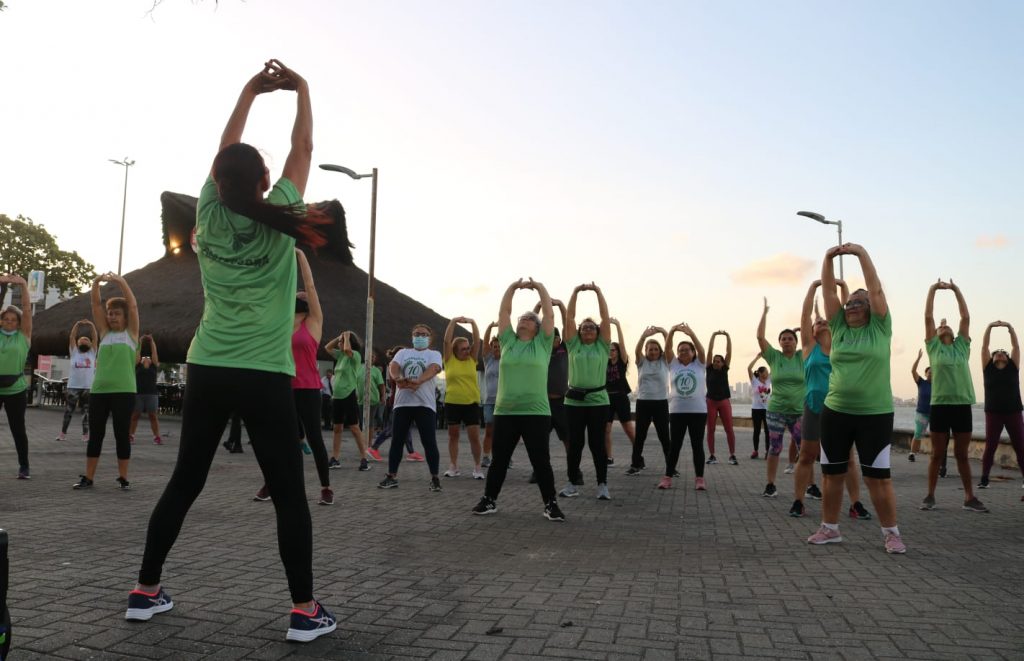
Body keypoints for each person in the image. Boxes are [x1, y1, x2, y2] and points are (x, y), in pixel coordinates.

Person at [127, 61, 336, 642]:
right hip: (264, 372)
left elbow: (226, 147)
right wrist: (303, 89)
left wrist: (250, 90)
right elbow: (304, 145)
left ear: (217, 182)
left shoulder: (209, 213)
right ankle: (304, 611)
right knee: (288, 495)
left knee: (185, 480)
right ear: (265, 183)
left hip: (208, 364)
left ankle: (145, 591)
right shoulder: (284, 215)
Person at [807, 243, 904, 553]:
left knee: (878, 478)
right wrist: (827, 258)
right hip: (836, 412)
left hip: (874, 415)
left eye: (859, 302)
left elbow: (875, 290)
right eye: (849, 302)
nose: (852, 305)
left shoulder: (880, 328)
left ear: (870, 307)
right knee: (832, 474)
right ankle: (830, 528)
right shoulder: (838, 327)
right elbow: (828, 293)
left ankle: (891, 533)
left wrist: (861, 254)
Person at [471, 278, 564, 521]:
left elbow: (550, 316)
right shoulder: (508, 341)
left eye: (530, 319)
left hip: (536, 412)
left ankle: (551, 504)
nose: (524, 319)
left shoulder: (543, 344)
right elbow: (504, 312)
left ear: (537, 327)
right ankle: (489, 500)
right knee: (499, 460)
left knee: (540, 461)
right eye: (522, 318)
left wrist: (541, 288)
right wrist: (512, 288)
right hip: (506, 412)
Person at [254, 254, 333, 505]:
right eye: (296, 296)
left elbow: (310, 286)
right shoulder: (282, 323)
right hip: (283, 387)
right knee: (279, 440)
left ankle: (326, 488)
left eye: (303, 297)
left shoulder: (314, 323)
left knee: (315, 439)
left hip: (308, 389)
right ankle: (272, 483)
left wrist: (299, 258)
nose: (300, 296)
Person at [789, 280, 872, 520]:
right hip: (814, 407)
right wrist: (813, 286)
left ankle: (856, 504)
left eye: (825, 321)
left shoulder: (840, 344)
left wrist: (842, 287)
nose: (822, 322)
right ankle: (798, 501)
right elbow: (806, 315)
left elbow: (844, 310)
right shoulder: (808, 348)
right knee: (806, 455)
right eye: (818, 322)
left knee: (848, 459)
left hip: (839, 407)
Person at [921, 279, 987, 512]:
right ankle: (929, 495)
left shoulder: (962, 347)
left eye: (947, 327)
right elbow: (928, 317)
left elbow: (965, 318)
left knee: (961, 455)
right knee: (937, 454)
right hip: (940, 405)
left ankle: (969, 497)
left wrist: (956, 290)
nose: (945, 327)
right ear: (936, 333)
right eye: (941, 327)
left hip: (961, 406)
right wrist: (932, 291)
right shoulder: (934, 348)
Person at [74, 272, 140, 491]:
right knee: (96, 435)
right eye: (110, 314)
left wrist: (121, 282)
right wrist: (95, 284)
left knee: (122, 434)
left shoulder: (131, 334)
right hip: (100, 391)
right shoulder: (104, 333)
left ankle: (123, 478)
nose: (111, 317)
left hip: (124, 391)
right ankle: (89, 477)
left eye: (116, 314)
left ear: (124, 318)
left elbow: (132, 306)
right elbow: (95, 304)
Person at [559, 283, 613, 501]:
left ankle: (602, 485)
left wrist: (599, 293)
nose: (588, 329)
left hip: (598, 401)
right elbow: (569, 318)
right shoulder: (574, 346)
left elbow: (605, 317)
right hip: (574, 403)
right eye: (585, 327)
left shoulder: (602, 346)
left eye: (592, 327)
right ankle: (572, 483)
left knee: (597, 444)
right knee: (575, 445)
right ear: (579, 332)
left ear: (598, 332)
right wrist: (574, 293)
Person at [378, 324, 444, 491]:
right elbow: (393, 366)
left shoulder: (434, 354)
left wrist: (419, 381)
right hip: (402, 404)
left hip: (425, 404)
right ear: (411, 336)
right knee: (397, 441)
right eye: (416, 334)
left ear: (430, 337)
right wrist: (398, 378)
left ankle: (435, 478)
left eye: (423, 334)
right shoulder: (403, 353)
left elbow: (434, 368)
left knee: (429, 442)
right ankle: (391, 476)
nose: (419, 336)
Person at [756, 297, 803, 499]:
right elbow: (759, 337)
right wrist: (765, 313)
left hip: (800, 411)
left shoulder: (803, 356)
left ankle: (809, 486)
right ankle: (770, 484)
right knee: (775, 447)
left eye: (790, 338)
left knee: (806, 450)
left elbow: (816, 338)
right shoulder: (774, 357)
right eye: (783, 338)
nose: (786, 340)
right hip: (776, 410)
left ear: (796, 342)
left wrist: (805, 328)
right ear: (779, 343)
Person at [978, 321, 1024, 488]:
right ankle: (984, 479)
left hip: (1014, 412)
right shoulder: (987, 368)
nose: (999, 354)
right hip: (993, 413)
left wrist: (1010, 327)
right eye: (996, 353)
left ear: (1007, 357)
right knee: (990, 446)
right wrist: (989, 327)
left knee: (1020, 446)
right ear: (992, 357)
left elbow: (1016, 346)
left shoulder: (1013, 367)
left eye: (1003, 353)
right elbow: (984, 347)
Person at [667, 323, 709, 490]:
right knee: (674, 445)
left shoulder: (699, 364)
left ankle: (699, 478)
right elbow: (667, 347)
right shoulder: (674, 364)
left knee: (697, 445)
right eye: (681, 349)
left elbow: (701, 348)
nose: (683, 352)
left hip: (698, 412)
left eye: (687, 349)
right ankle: (667, 476)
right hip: (677, 411)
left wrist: (691, 333)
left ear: (693, 353)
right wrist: (671, 331)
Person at [442, 317, 483, 479]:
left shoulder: (472, 359)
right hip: (452, 403)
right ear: (455, 350)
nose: (467, 351)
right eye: (463, 349)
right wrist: (453, 322)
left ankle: (478, 467)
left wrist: (473, 323)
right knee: (453, 435)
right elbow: (446, 341)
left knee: (474, 436)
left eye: (468, 348)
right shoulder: (449, 360)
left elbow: (477, 342)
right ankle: (453, 466)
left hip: (471, 403)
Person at [630, 327, 672, 484]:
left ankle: (671, 467)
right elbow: (637, 350)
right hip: (643, 403)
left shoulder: (664, 361)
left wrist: (663, 332)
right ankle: (635, 465)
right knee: (640, 436)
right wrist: (643, 337)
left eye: (656, 349)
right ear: (646, 350)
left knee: (665, 437)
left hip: (661, 403)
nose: (653, 352)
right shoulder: (642, 362)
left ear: (660, 351)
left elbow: (669, 346)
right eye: (650, 349)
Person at [0, 275, 32, 480]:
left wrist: (22, 285)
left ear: (19, 323)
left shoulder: (23, 336)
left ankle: (24, 466)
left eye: (14, 320)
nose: (9, 322)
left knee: (18, 429)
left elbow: (27, 311)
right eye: (6, 319)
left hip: (16, 389)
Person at [326, 330, 370, 471]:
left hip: (349, 395)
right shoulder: (340, 356)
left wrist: (346, 336)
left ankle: (364, 458)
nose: (340, 344)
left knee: (354, 428)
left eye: (342, 341)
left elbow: (346, 349)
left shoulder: (354, 355)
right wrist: (338, 337)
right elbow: (327, 347)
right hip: (337, 397)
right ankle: (335, 458)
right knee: (337, 428)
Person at [603, 318, 635, 468]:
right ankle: (609, 458)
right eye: (609, 349)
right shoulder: (604, 362)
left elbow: (622, 345)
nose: (611, 352)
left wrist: (617, 325)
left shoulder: (622, 362)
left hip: (621, 397)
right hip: (607, 397)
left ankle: (638, 454)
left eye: (613, 349)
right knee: (606, 429)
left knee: (628, 429)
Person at [58, 319, 97, 443]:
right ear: (77, 343)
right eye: (81, 339)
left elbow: (96, 337)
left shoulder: (92, 353)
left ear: (91, 344)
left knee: (86, 412)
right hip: (73, 387)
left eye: (87, 339)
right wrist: (77, 324)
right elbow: (72, 336)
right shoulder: (74, 352)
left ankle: (85, 435)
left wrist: (91, 325)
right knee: (68, 411)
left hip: (87, 387)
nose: (84, 340)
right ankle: (62, 434)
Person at [705, 330, 737, 465]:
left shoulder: (724, 370)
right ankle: (712, 455)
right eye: (715, 361)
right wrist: (713, 336)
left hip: (724, 402)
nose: (716, 363)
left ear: (723, 363)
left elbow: (729, 353)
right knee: (710, 429)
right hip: (711, 402)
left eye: (719, 361)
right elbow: (709, 351)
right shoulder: (709, 369)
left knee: (729, 429)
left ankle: (732, 455)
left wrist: (728, 336)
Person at [129, 334, 163, 445]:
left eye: (148, 358)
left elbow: (154, 354)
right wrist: (140, 342)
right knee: (135, 415)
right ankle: (131, 436)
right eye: (144, 358)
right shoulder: (137, 366)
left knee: (153, 416)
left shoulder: (154, 366)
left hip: (151, 394)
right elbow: (137, 354)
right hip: (138, 393)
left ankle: (157, 437)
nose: (146, 358)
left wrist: (152, 342)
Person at [357, 351, 386, 464]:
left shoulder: (376, 371)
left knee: (369, 423)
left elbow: (381, 385)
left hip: (373, 399)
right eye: (370, 356)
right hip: (360, 400)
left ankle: (368, 446)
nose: (371, 358)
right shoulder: (359, 367)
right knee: (361, 423)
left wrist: (383, 396)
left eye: (373, 356)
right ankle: (362, 445)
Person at [479, 323, 501, 469]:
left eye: (499, 346)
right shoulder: (488, 360)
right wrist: (490, 327)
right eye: (494, 346)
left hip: (504, 401)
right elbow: (484, 343)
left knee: (505, 432)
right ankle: (486, 457)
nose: (496, 349)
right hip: (490, 401)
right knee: (489, 431)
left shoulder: (507, 360)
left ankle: (504, 457)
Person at [909, 350, 932, 463]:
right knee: (918, 434)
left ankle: (935, 455)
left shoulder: (939, 384)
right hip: (922, 413)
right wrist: (918, 358)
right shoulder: (921, 382)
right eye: (929, 372)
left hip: (935, 413)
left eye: (934, 372)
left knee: (937, 435)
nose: (931, 373)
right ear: (925, 374)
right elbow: (913, 371)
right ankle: (912, 453)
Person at [747, 357, 771, 458]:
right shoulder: (754, 381)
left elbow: (773, 367)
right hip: (756, 409)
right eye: (765, 372)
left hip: (767, 410)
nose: (767, 374)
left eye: (767, 372)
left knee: (767, 431)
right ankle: (755, 451)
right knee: (756, 431)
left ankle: (767, 451)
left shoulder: (769, 380)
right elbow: (749, 368)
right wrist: (757, 357)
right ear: (760, 374)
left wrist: (766, 357)